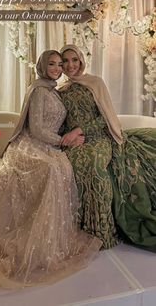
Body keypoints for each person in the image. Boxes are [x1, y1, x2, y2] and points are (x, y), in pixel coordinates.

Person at [0, 50, 101, 289]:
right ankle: (31, 243)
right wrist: (63, 140)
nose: (56, 68)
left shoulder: (54, 90)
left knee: (61, 167)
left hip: (50, 144)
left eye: (59, 64)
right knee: (52, 169)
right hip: (31, 145)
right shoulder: (37, 91)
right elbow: (35, 130)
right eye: (51, 64)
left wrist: (75, 136)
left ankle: (49, 242)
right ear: (43, 66)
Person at [58, 44, 156, 251]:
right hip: (77, 143)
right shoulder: (61, 91)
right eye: (65, 61)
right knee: (74, 165)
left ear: (81, 61)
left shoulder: (95, 82)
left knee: (95, 166)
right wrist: (71, 137)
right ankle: (82, 228)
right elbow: (61, 123)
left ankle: (102, 231)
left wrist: (79, 130)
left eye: (74, 60)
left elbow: (105, 117)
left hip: (100, 137)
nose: (70, 65)